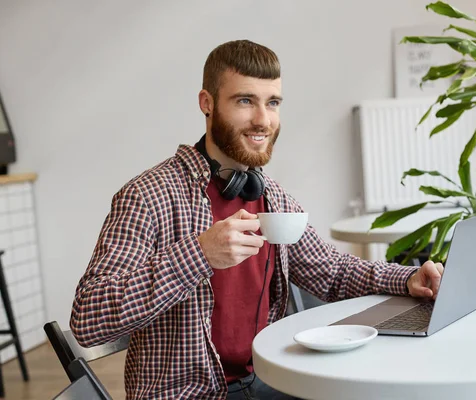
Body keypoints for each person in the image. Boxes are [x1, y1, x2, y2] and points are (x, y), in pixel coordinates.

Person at [70, 39, 445, 400]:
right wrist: (198, 254)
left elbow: (331, 272)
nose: (263, 120)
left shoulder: (269, 194)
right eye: (245, 100)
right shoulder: (148, 195)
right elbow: (88, 318)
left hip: (269, 379)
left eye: (273, 102)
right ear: (207, 103)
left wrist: (408, 277)